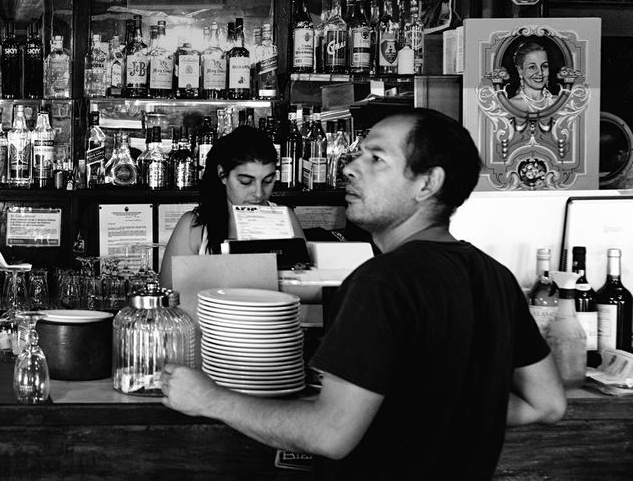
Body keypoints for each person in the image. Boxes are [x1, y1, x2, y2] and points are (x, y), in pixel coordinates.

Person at [161, 109, 566, 479]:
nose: (351, 167)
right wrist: (401, 408)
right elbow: (546, 403)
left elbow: (329, 433)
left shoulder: (381, 282)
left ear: (428, 183)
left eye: (375, 158)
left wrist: (209, 399)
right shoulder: (494, 275)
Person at [159, 124, 300, 288]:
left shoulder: (285, 217)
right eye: (246, 182)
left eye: (268, 181)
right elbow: (168, 298)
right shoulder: (194, 226)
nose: (259, 193)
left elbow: (307, 291)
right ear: (223, 175)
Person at [509, 41, 557, 113]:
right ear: (520, 70)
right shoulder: (512, 105)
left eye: (544, 66)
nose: (540, 72)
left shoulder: (557, 101)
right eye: (532, 67)